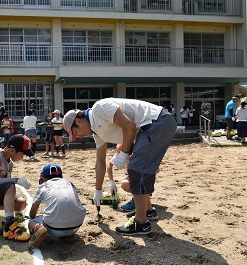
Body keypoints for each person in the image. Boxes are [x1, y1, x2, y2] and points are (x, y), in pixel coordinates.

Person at [62, 98, 177, 235]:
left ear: (79, 121)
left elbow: (129, 126)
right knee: (138, 170)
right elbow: (100, 161)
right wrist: (98, 190)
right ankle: (148, 211)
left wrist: (124, 153)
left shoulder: (99, 108)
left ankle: (140, 223)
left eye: (75, 132)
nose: (79, 136)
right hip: (151, 127)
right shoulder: (97, 134)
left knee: (135, 168)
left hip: (157, 122)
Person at [27, 163, 86, 248]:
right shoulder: (70, 183)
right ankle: (69, 236)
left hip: (54, 228)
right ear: (61, 177)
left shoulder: (43, 186)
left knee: (31, 222)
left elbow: (32, 214)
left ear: (43, 179)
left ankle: (38, 227)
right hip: (77, 224)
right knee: (68, 212)